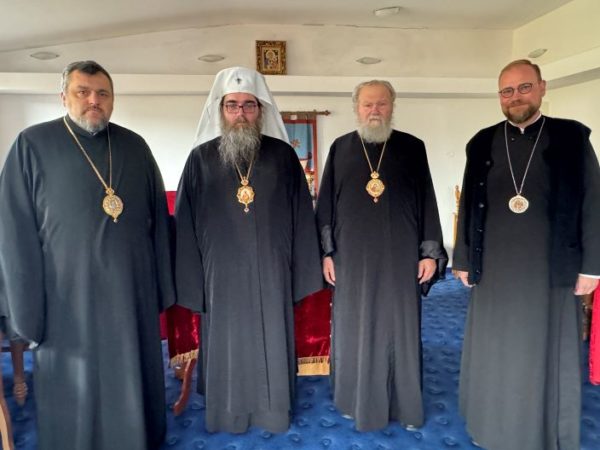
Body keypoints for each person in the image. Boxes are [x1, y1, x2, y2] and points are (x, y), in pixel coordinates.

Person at [0, 60, 175, 450]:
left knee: (131, 376)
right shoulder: (31, 145)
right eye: (83, 92)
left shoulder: (135, 146)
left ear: (113, 100)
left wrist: (160, 287)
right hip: (65, 298)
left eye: (103, 93)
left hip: (130, 293)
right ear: (64, 97)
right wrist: (25, 309)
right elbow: (14, 232)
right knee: (75, 388)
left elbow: (159, 224)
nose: (94, 100)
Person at [453, 59, 600, 450]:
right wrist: (462, 258)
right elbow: (469, 206)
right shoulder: (482, 141)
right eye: (507, 90)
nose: (515, 96)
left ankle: (542, 430)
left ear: (542, 87)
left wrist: (592, 267)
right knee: (497, 348)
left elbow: (593, 202)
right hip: (494, 268)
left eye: (524, 87)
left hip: (551, 269)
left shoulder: (571, 137)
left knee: (541, 350)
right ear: (499, 97)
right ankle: (491, 425)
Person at [175, 66, 322, 434]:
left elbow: (302, 216)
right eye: (232, 105)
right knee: (227, 342)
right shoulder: (200, 158)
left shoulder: (283, 156)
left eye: (249, 105)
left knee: (272, 337)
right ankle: (228, 414)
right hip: (220, 274)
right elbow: (185, 224)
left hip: (272, 269)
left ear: (261, 110)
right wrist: (193, 281)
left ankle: (273, 412)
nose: (240, 113)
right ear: (221, 110)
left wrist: (300, 271)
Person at [315, 80, 447, 431]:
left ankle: (403, 404)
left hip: (400, 257)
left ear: (392, 106)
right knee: (354, 326)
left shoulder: (412, 147)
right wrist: (327, 253)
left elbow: (427, 201)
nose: (375, 110)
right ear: (356, 108)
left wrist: (429, 253)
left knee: (398, 327)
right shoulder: (340, 148)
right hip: (351, 259)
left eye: (382, 104)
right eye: (368, 104)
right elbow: (325, 205)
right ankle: (352, 399)